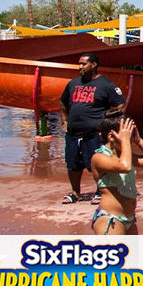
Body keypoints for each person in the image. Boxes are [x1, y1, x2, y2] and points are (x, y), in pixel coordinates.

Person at [60, 53, 125, 205]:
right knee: (73, 164)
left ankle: (100, 191)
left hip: (95, 134)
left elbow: (121, 104)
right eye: (79, 64)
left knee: (98, 163)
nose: (80, 67)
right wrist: (64, 122)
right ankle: (75, 192)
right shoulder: (72, 84)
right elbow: (62, 103)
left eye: (83, 64)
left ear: (94, 65)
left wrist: (110, 124)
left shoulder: (106, 85)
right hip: (73, 133)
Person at [89, 112, 143, 235]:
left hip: (129, 219)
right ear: (112, 136)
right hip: (110, 218)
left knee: (133, 254)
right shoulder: (99, 158)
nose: (130, 139)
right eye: (127, 135)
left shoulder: (125, 156)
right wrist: (125, 142)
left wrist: (139, 140)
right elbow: (125, 167)